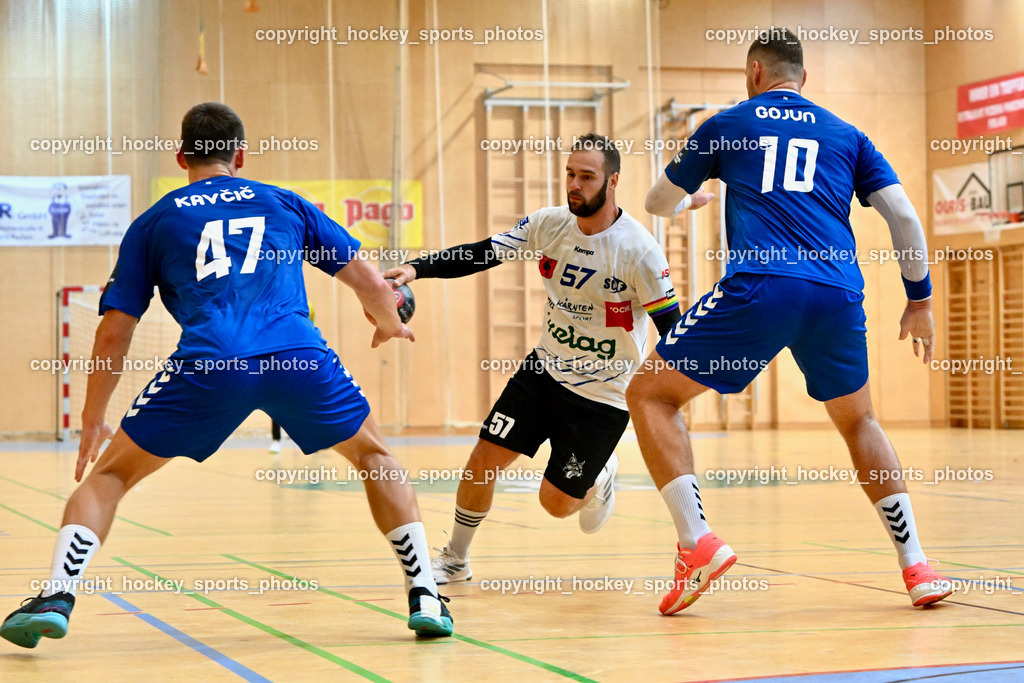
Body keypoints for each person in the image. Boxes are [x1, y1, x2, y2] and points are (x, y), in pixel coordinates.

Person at [1, 102, 452, 649]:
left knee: (109, 477)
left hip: (210, 364)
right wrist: (388, 325)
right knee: (375, 457)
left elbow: (114, 332)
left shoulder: (154, 222)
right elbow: (374, 287)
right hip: (297, 358)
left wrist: (93, 416)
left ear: (181, 156)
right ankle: (425, 594)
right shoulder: (285, 202)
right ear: (240, 155)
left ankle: (57, 595)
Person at [630, 27, 951, 616]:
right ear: (804, 78)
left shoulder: (728, 123)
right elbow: (904, 217)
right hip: (836, 294)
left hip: (762, 287)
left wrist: (690, 200)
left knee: (649, 394)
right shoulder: (848, 135)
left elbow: (654, 202)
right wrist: (920, 301)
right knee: (860, 422)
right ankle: (918, 566)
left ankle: (697, 543)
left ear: (755, 73)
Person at [384, 133, 711, 584]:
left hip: (603, 395)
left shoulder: (640, 252)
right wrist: (418, 268)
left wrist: (679, 391)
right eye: (570, 174)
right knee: (483, 460)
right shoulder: (549, 224)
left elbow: (671, 329)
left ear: (613, 181)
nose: (574, 185)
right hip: (543, 371)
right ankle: (456, 559)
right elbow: (483, 253)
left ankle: (600, 475)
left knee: (555, 504)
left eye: (587, 177)